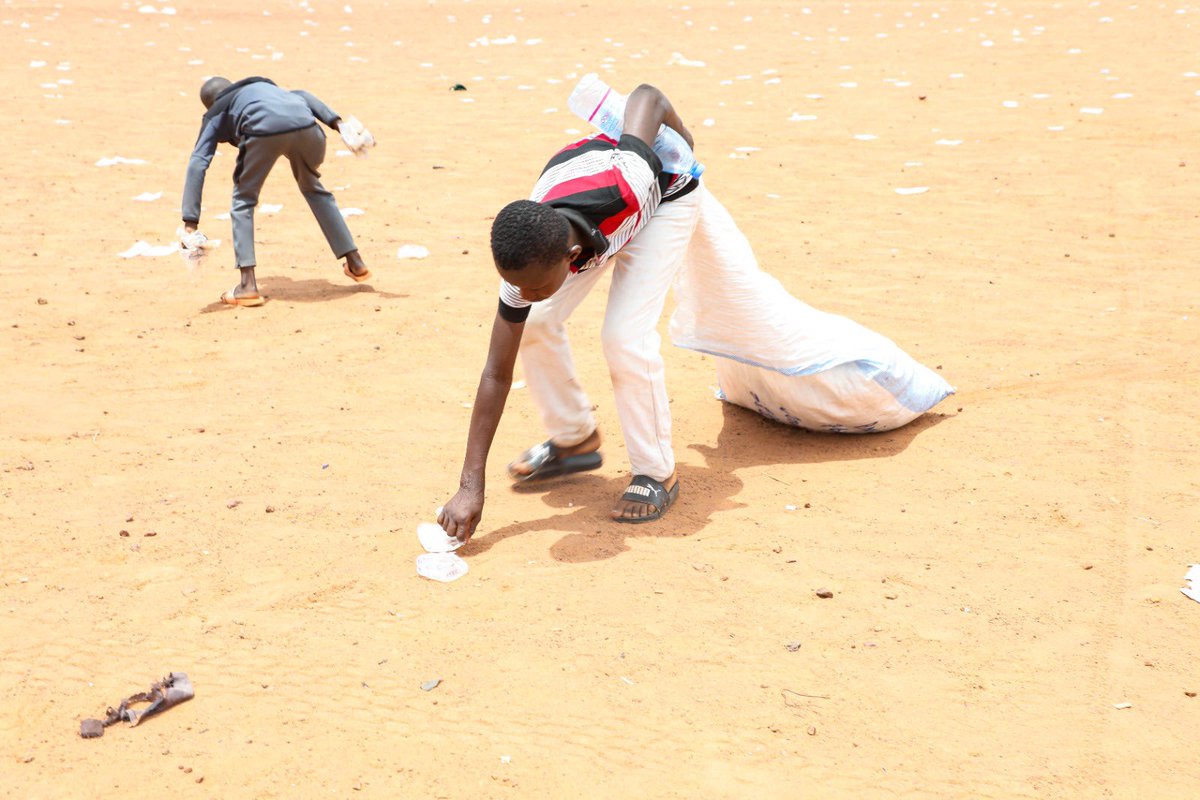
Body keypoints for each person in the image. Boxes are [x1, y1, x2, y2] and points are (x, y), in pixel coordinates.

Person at [439, 82, 703, 542]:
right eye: (520, 285)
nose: (527, 293)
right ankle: (575, 438)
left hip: (664, 200)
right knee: (536, 321)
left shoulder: (629, 184)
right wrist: (469, 485)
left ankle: (656, 473)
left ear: (572, 255)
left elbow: (648, 97)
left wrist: (683, 140)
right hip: (588, 218)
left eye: (538, 286)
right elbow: (495, 373)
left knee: (624, 336)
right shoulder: (529, 257)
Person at [180, 76, 372, 307]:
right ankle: (356, 263)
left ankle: (247, 286)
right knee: (314, 188)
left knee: (243, 201)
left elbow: (198, 161)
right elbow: (304, 95)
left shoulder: (218, 110)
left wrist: (190, 222)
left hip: (262, 131)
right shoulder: (269, 89)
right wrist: (339, 124)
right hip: (308, 129)